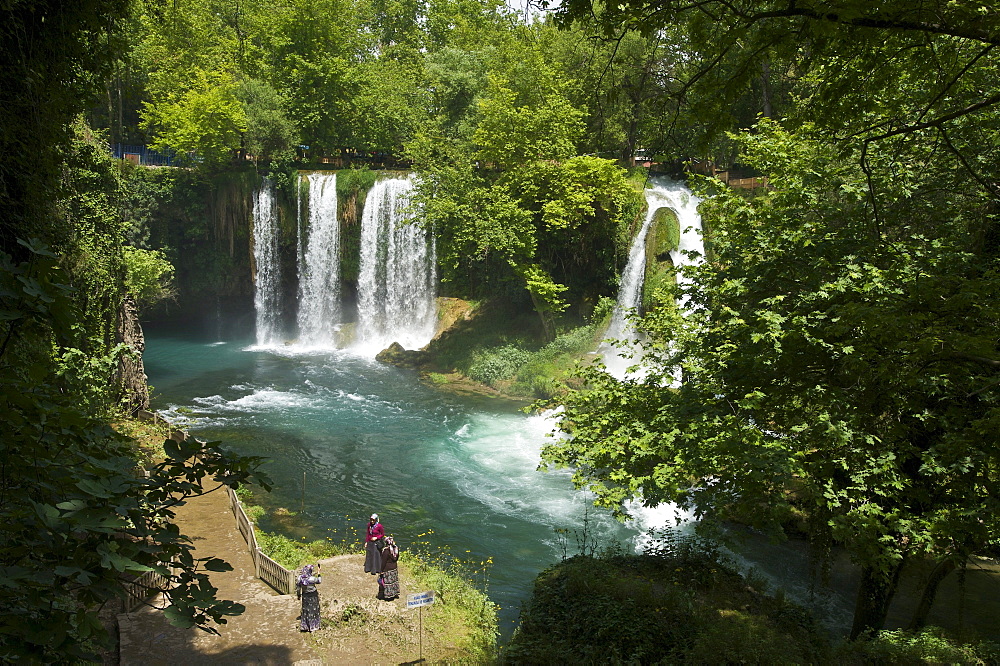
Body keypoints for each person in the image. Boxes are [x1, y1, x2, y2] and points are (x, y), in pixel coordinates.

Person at [296, 562, 322, 632]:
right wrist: (319, 572)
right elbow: (319, 581)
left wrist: (298, 595)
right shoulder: (312, 579)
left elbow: (298, 588)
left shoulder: (300, 579)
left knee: (306, 610)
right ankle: (314, 625)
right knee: (314, 610)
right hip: (313, 596)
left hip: (305, 596)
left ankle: (305, 626)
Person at [378, 535, 400, 601]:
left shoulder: (386, 551)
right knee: (393, 582)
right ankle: (394, 594)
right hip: (394, 568)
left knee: (387, 583)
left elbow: (383, 562)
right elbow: (396, 559)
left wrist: (381, 570)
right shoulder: (396, 549)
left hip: (387, 569)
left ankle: (388, 596)